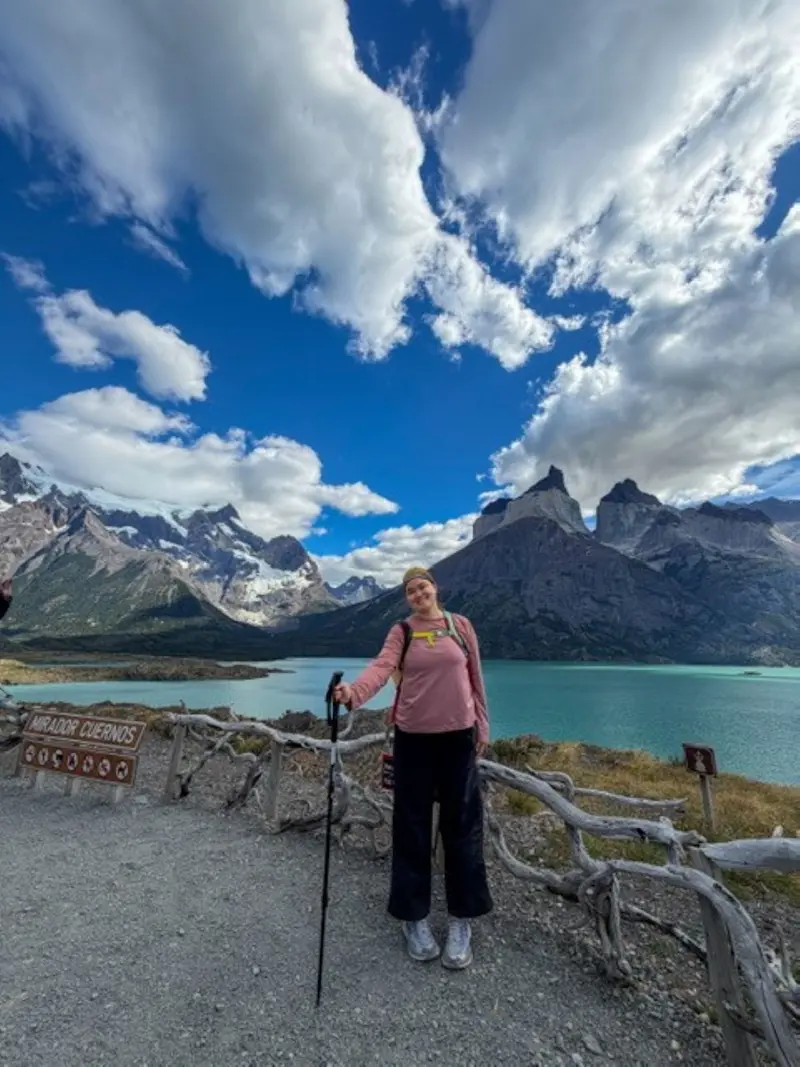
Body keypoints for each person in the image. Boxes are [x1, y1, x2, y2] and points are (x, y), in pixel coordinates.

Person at [334, 566, 493, 969]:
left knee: (463, 827)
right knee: (412, 828)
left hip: (459, 738)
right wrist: (352, 693)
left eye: (422, 586)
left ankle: (461, 920)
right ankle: (413, 919)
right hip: (414, 740)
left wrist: (483, 724)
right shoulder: (401, 632)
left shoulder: (461, 626)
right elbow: (381, 668)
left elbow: (476, 677)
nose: (418, 594)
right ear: (407, 598)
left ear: (435, 588)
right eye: (410, 591)